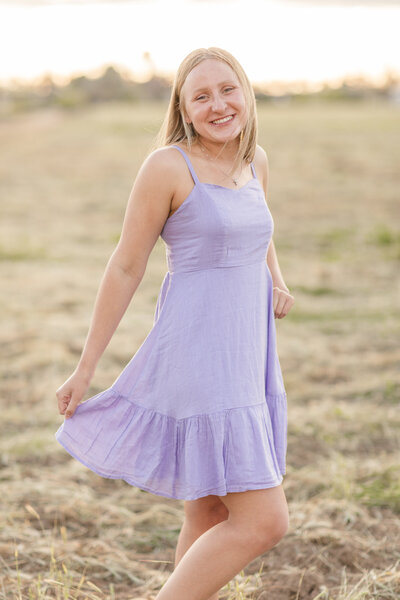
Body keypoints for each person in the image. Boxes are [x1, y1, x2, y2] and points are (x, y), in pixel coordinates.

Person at [55, 46, 295, 600]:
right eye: (202, 96)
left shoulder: (255, 161)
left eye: (227, 90)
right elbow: (125, 266)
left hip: (246, 354)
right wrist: (85, 368)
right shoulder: (168, 166)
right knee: (265, 521)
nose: (218, 105)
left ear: (246, 92)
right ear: (184, 110)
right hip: (198, 356)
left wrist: (275, 278)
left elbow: (258, 227)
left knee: (210, 509)